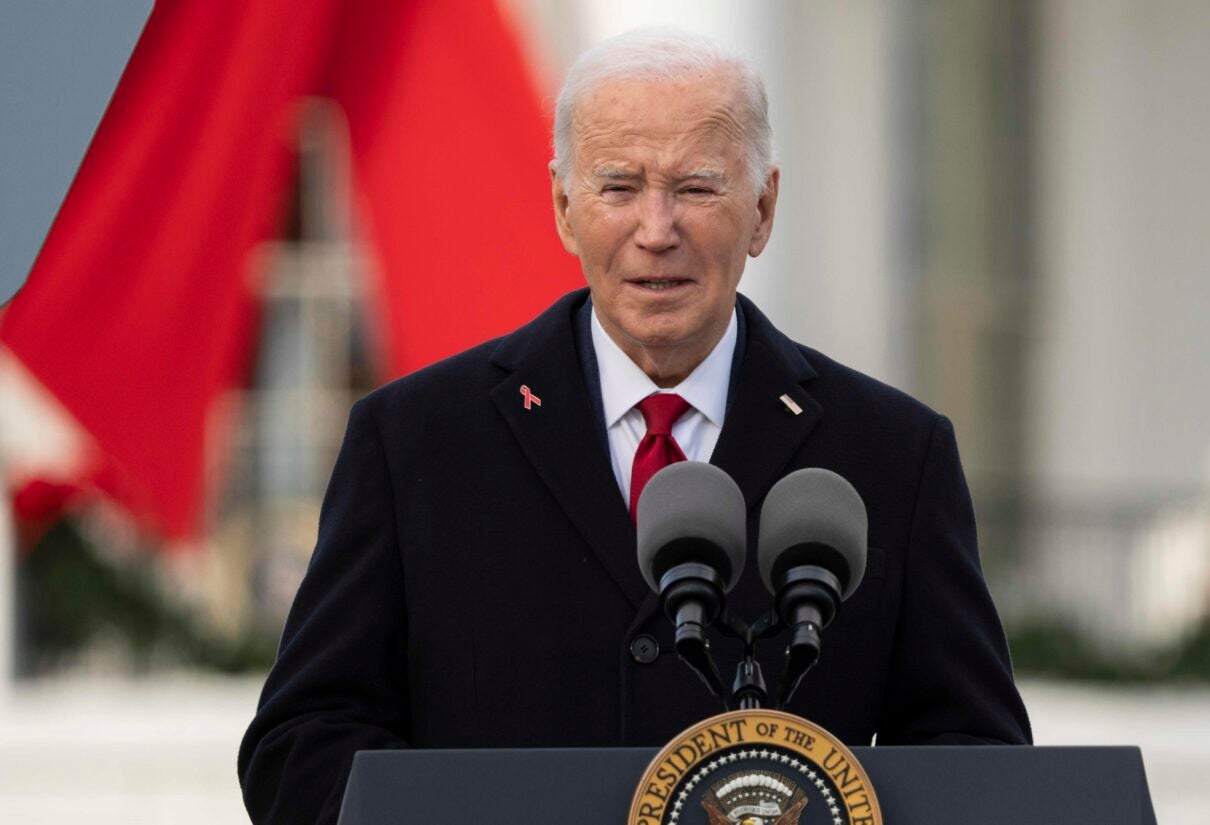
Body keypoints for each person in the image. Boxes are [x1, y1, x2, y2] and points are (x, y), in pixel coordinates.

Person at [238, 27, 1031, 824]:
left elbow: (979, 755)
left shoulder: (894, 454)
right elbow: (300, 745)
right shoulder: (413, 440)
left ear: (762, 209)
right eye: (619, 187)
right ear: (563, 208)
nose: (657, 229)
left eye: (696, 187)